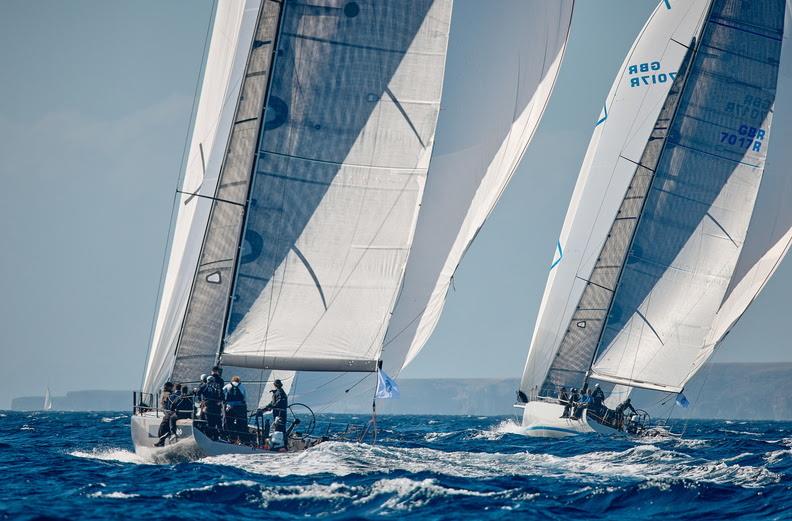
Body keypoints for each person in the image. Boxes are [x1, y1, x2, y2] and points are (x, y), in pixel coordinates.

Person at [223, 376, 248, 442]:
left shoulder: (227, 385)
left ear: (232, 380)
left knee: (229, 422)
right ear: (238, 380)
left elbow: (222, 393)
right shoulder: (242, 386)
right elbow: (244, 397)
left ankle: (230, 437)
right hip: (240, 407)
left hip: (229, 406)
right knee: (241, 423)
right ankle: (241, 439)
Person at [203, 369, 225, 438]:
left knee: (210, 423)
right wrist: (220, 401)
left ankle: (210, 436)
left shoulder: (206, 386)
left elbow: (200, 392)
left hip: (209, 407)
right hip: (217, 407)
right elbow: (222, 396)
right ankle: (220, 436)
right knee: (218, 422)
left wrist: (203, 401)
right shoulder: (219, 385)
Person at [154, 382, 175, 447]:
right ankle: (162, 441)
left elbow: (163, 403)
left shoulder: (164, 393)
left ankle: (161, 441)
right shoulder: (167, 394)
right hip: (168, 412)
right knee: (164, 426)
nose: (172, 388)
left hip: (166, 412)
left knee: (163, 427)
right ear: (169, 387)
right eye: (171, 387)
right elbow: (167, 403)